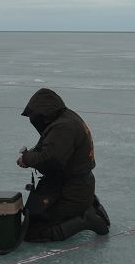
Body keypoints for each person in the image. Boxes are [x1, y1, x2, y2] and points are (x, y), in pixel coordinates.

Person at [16, 88, 110, 242]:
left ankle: (86, 219)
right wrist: (31, 155)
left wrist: (27, 159)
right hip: (75, 185)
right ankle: (88, 206)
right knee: (33, 217)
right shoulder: (66, 118)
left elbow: (51, 159)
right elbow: (51, 148)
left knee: (33, 231)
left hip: (70, 190)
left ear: (44, 113)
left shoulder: (63, 127)